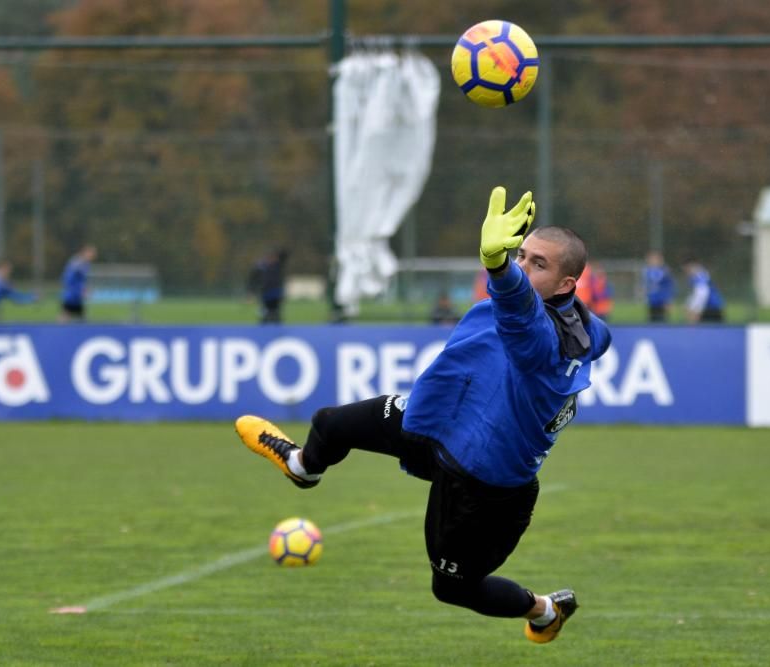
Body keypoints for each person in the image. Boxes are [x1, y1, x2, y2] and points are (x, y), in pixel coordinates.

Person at [235, 186, 611, 644]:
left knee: (452, 588)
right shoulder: (586, 326)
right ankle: (302, 468)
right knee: (331, 424)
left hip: (481, 481)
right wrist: (515, 273)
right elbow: (595, 332)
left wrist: (497, 266)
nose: (522, 267)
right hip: (439, 421)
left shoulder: (539, 343)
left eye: (539, 264)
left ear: (566, 285)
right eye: (522, 256)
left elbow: (519, 316)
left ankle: (545, 610)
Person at [246, 249, 289, 324]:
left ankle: (276, 327)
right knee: (265, 313)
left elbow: (285, 255)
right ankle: (264, 327)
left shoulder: (277, 265)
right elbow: (253, 279)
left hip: (276, 294)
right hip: (265, 294)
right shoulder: (261, 267)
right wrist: (251, 292)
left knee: (275, 313)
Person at [60, 244, 97, 322]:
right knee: (66, 315)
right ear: (85, 253)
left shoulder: (86, 264)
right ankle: (57, 331)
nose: (92, 256)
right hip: (71, 295)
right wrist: (78, 290)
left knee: (80, 317)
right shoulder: (77, 262)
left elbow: (83, 280)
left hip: (77, 296)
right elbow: (68, 278)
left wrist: (85, 290)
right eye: (91, 253)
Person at [682, 256, 725, 322]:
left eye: (686, 269)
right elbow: (694, 294)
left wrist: (695, 311)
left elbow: (702, 294)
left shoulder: (699, 276)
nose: (686, 272)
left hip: (710, 310)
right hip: (710, 308)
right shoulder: (699, 275)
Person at [643, 250, 675, 322]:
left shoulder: (665, 270)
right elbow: (648, 286)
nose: (651, 261)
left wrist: (668, 300)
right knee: (651, 321)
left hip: (662, 301)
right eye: (650, 259)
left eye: (653, 259)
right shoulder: (647, 270)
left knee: (662, 322)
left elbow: (669, 286)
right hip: (652, 300)